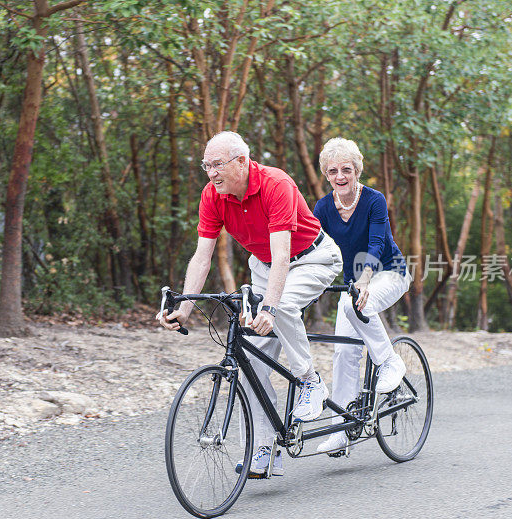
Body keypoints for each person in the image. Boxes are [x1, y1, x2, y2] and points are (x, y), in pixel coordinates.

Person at [157, 131, 342, 477]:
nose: (211, 173)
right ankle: (264, 449)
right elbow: (201, 257)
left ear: (241, 162)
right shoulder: (213, 196)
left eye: (218, 165)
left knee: (282, 307)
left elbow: (284, 255)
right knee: (253, 364)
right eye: (206, 165)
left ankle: (310, 380)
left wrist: (269, 308)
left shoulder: (275, 184)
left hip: (311, 258)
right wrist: (183, 307)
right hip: (264, 266)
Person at [312, 137, 412, 455]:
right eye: (332, 171)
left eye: (346, 169)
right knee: (344, 354)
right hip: (352, 285)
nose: (340, 176)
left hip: (389, 273)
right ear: (326, 175)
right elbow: (315, 251)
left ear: (357, 169)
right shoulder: (323, 208)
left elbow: (377, 244)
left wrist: (365, 281)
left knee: (355, 304)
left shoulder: (374, 200)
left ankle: (389, 362)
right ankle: (341, 429)